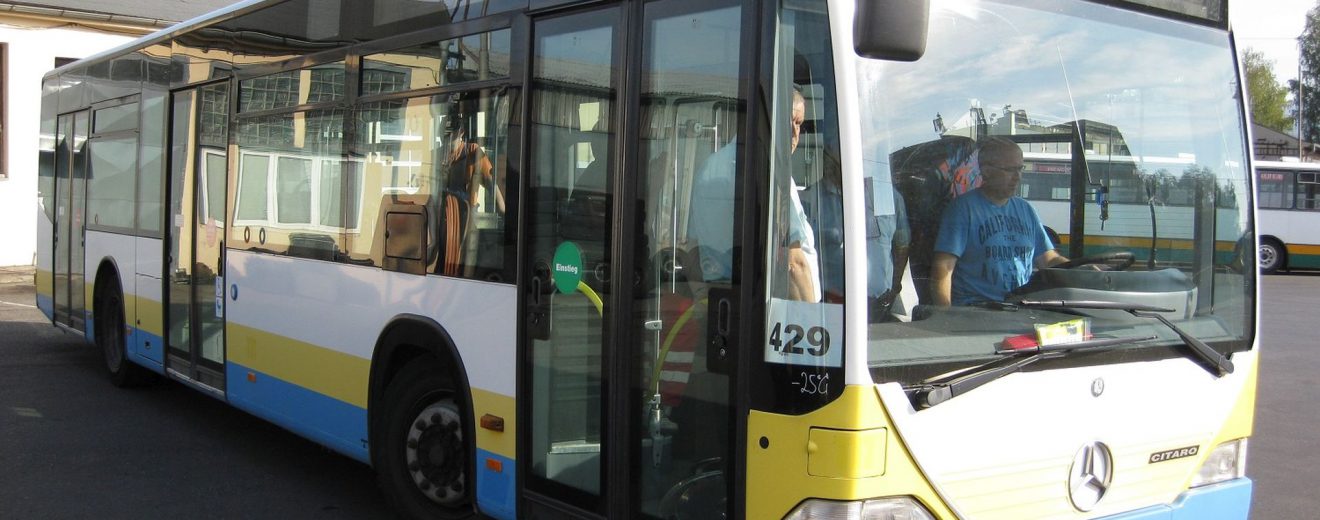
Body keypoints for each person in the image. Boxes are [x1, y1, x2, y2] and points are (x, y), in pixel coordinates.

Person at [687, 89, 819, 301]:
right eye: (790, 121)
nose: (795, 133)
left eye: (798, 124)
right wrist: (810, 323)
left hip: (720, 297)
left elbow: (693, 248)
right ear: (768, 118)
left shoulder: (708, 168)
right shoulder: (772, 172)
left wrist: (702, 301)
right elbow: (793, 262)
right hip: (768, 307)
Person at [930, 136, 1066, 306]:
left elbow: (1048, 259)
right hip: (976, 312)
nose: (1017, 177)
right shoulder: (963, 210)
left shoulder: (1026, 210)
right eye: (1009, 170)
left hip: (1020, 307)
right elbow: (942, 270)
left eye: (1020, 169)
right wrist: (945, 319)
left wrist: (1080, 270)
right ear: (986, 171)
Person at [801, 164, 910, 318]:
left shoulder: (889, 197)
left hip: (880, 304)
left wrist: (894, 288)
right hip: (830, 307)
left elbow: (902, 244)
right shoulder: (811, 198)